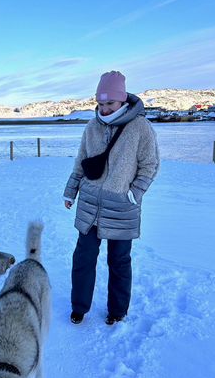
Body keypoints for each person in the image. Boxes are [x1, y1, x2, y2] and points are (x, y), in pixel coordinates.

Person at [63, 71, 159, 325]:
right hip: (90, 204)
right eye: (100, 103)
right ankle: (79, 307)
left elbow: (150, 165)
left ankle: (117, 311)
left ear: (122, 100)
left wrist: (133, 193)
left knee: (119, 261)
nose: (104, 109)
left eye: (110, 103)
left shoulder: (140, 127)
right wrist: (71, 190)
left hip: (122, 207)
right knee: (83, 258)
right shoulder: (91, 126)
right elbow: (81, 163)